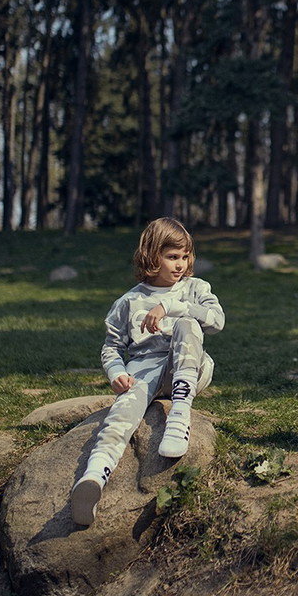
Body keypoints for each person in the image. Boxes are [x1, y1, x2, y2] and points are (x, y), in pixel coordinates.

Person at [70, 217, 225, 526]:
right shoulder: (128, 301)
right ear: (152, 256)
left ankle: (179, 415)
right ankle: (93, 478)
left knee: (187, 324)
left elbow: (217, 321)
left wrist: (171, 307)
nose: (180, 264)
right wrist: (116, 372)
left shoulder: (195, 288)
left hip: (190, 368)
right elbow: (112, 346)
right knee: (121, 414)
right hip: (144, 371)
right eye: (172, 257)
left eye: (184, 256)